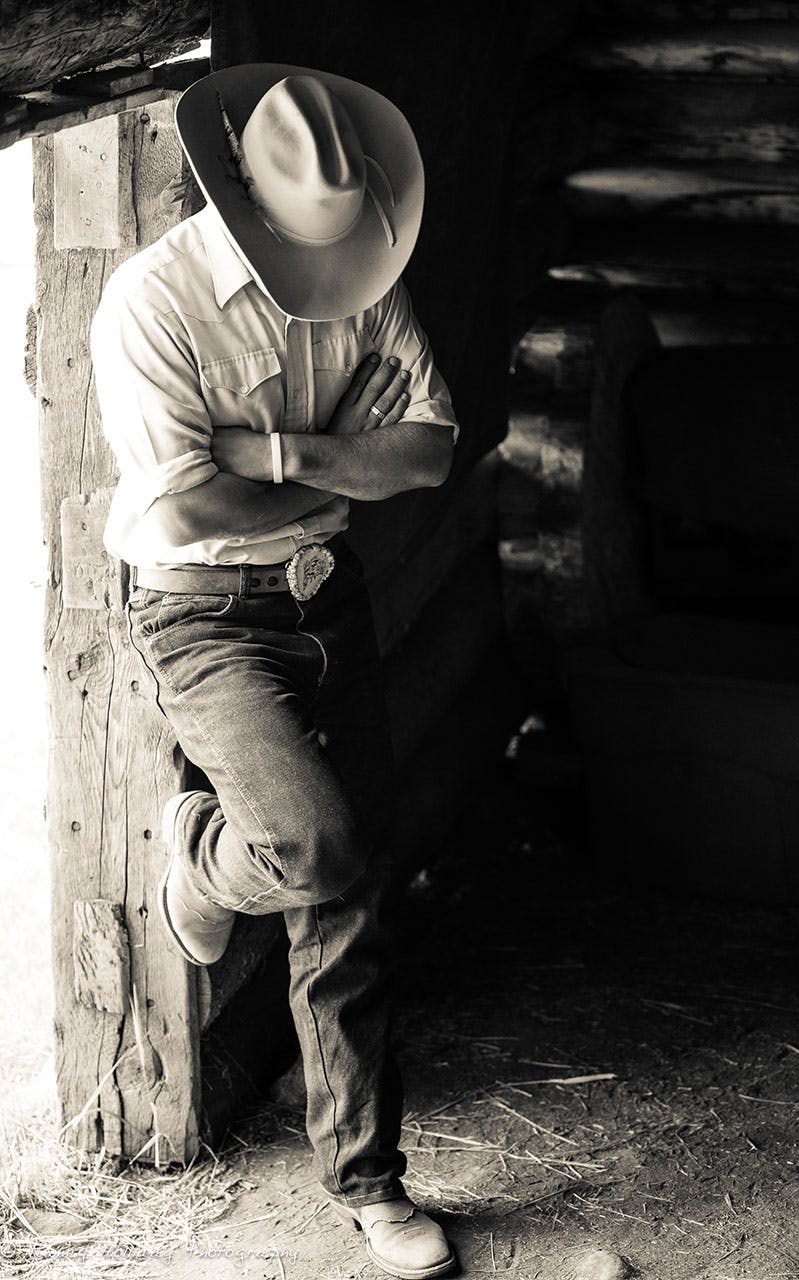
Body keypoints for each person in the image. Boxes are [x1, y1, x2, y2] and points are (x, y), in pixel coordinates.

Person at [90, 64, 459, 1280]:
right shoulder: (151, 303)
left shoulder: (361, 257)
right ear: (244, 190)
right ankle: (205, 855)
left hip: (324, 596)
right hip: (201, 613)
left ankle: (368, 1180)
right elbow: (189, 506)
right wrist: (343, 465)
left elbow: (427, 452)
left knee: (350, 884)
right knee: (321, 846)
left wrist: (287, 450)